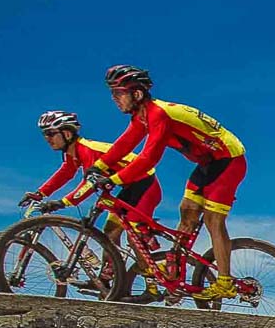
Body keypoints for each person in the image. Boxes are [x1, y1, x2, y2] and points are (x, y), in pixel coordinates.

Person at [90, 66, 247, 301]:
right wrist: (98, 167)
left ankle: (225, 283)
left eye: (118, 93)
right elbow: (123, 145)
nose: (114, 99)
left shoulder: (158, 114)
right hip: (207, 162)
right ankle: (176, 272)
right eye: (112, 93)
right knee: (187, 212)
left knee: (214, 220)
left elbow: (148, 158)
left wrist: (113, 179)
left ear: (137, 94)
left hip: (228, 159)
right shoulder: (141, 117)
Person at [21, 110, 162, 265]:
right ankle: (110, 278)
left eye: (50, 133)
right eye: (44, 134)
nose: (47, 139)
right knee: (110, 231)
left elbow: (89, 185)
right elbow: (65, 173)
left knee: (132, 234)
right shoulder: (73, 152)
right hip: (130, 188)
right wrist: (40, 193)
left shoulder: (88, 150)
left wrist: (62, 202)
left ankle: (153, 281)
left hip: (146, 185)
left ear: (67, 134)